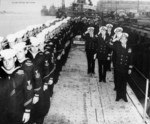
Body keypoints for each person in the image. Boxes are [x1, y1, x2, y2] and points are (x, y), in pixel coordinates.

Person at [0, 49, 33, 124]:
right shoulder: (1, 75)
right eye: (4, 60)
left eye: (9, 59)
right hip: (2, 113)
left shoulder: (23, 74)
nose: (7, 63)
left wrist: (27, 111)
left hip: (18, 111)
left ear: (15, 59)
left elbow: (29, 92)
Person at [108, 33, 133, 102]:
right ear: (120, 40)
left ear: (126, 40)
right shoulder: (117, 46)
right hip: (118, 67)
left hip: (125, 68)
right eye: (122, 39)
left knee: (124, 83)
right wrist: (113, 40)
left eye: (125, 39)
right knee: (118, 82)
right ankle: (118, 96)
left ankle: (124, 96)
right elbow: (108, 45)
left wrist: (130, 68)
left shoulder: (129, 48)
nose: (123, 40)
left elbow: (131, 58)